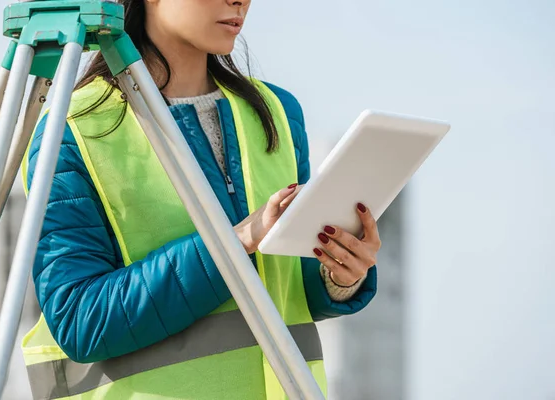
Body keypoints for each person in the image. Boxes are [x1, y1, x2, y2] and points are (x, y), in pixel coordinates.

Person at [20, 0, 381, 399]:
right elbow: (79, 321)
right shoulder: (73, 132)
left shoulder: (277, 113)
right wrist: (233, 244)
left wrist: (339, 275)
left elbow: (286, 290)